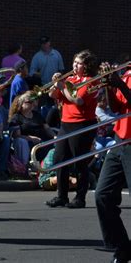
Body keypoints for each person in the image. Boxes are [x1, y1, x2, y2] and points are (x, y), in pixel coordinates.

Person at [46, 50, 98, 209]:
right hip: (66, 123)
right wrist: (56, 84)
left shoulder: (91, 81)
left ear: (87, 65)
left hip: (83, 124)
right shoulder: (70, 79)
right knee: (60, 160)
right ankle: (62, 196)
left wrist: (63, 87)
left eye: (79, 63)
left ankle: (80, 198)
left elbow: (77, 100)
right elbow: (53, 95)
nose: (75, 65)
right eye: (74, 62)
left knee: (79, 162)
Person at [94, 61, 131, 263]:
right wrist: (109, 85)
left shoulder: (124, 78)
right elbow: (117, 107)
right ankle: (122, 247)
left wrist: (119, 84)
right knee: (103, 195)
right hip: (120, 140)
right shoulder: (126, 73)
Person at [9, 91, 56, 166]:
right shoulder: (16, 118)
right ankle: (24, 167)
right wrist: (31, 138)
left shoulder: (37, 115)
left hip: (43, 141)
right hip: (29, 143)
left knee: (58, 143)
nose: (32, 104)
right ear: (21, 104)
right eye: (29, 102)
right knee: (20, 141)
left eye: (33, 102)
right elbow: (16, 136)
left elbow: (47, 129)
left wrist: (55, 136)